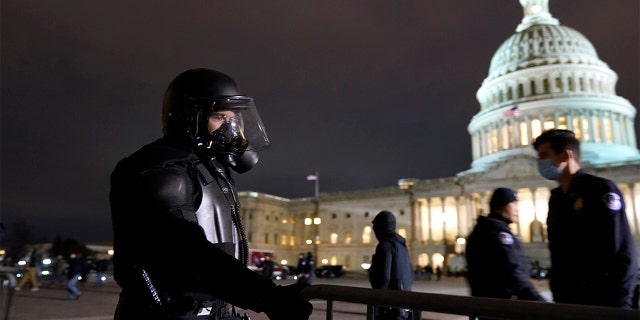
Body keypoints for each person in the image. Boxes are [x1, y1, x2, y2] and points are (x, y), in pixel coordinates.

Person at [109, 68, 312, 320]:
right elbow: (186, 253)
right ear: (187, 118)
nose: (230, 128)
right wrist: (268, 297)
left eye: (233, 118)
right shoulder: (164, 172)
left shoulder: (209, 167)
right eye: (218, 117)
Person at [533, 129, 638, 308]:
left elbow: (619, 251)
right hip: (570, 300)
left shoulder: (600, 190)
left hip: (604, 301)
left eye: (544, 155)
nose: (539, 162)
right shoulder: (557, 199)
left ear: (566, 155)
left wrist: (618, 305)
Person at [465, 187, 546, 304]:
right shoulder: (499, 234)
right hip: (502, 303)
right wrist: (538, 300)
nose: (517, 209)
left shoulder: (483, 229)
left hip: (485, 303)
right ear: (502, 205)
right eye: (513, 203)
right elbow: (513, 272)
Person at [368, 211, 413, 320]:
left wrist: (378, 303)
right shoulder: (402, 246)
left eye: (375, 227)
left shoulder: (385, 245)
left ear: (381, 228)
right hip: (403, 304)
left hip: (389, 307)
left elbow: (384, 278)